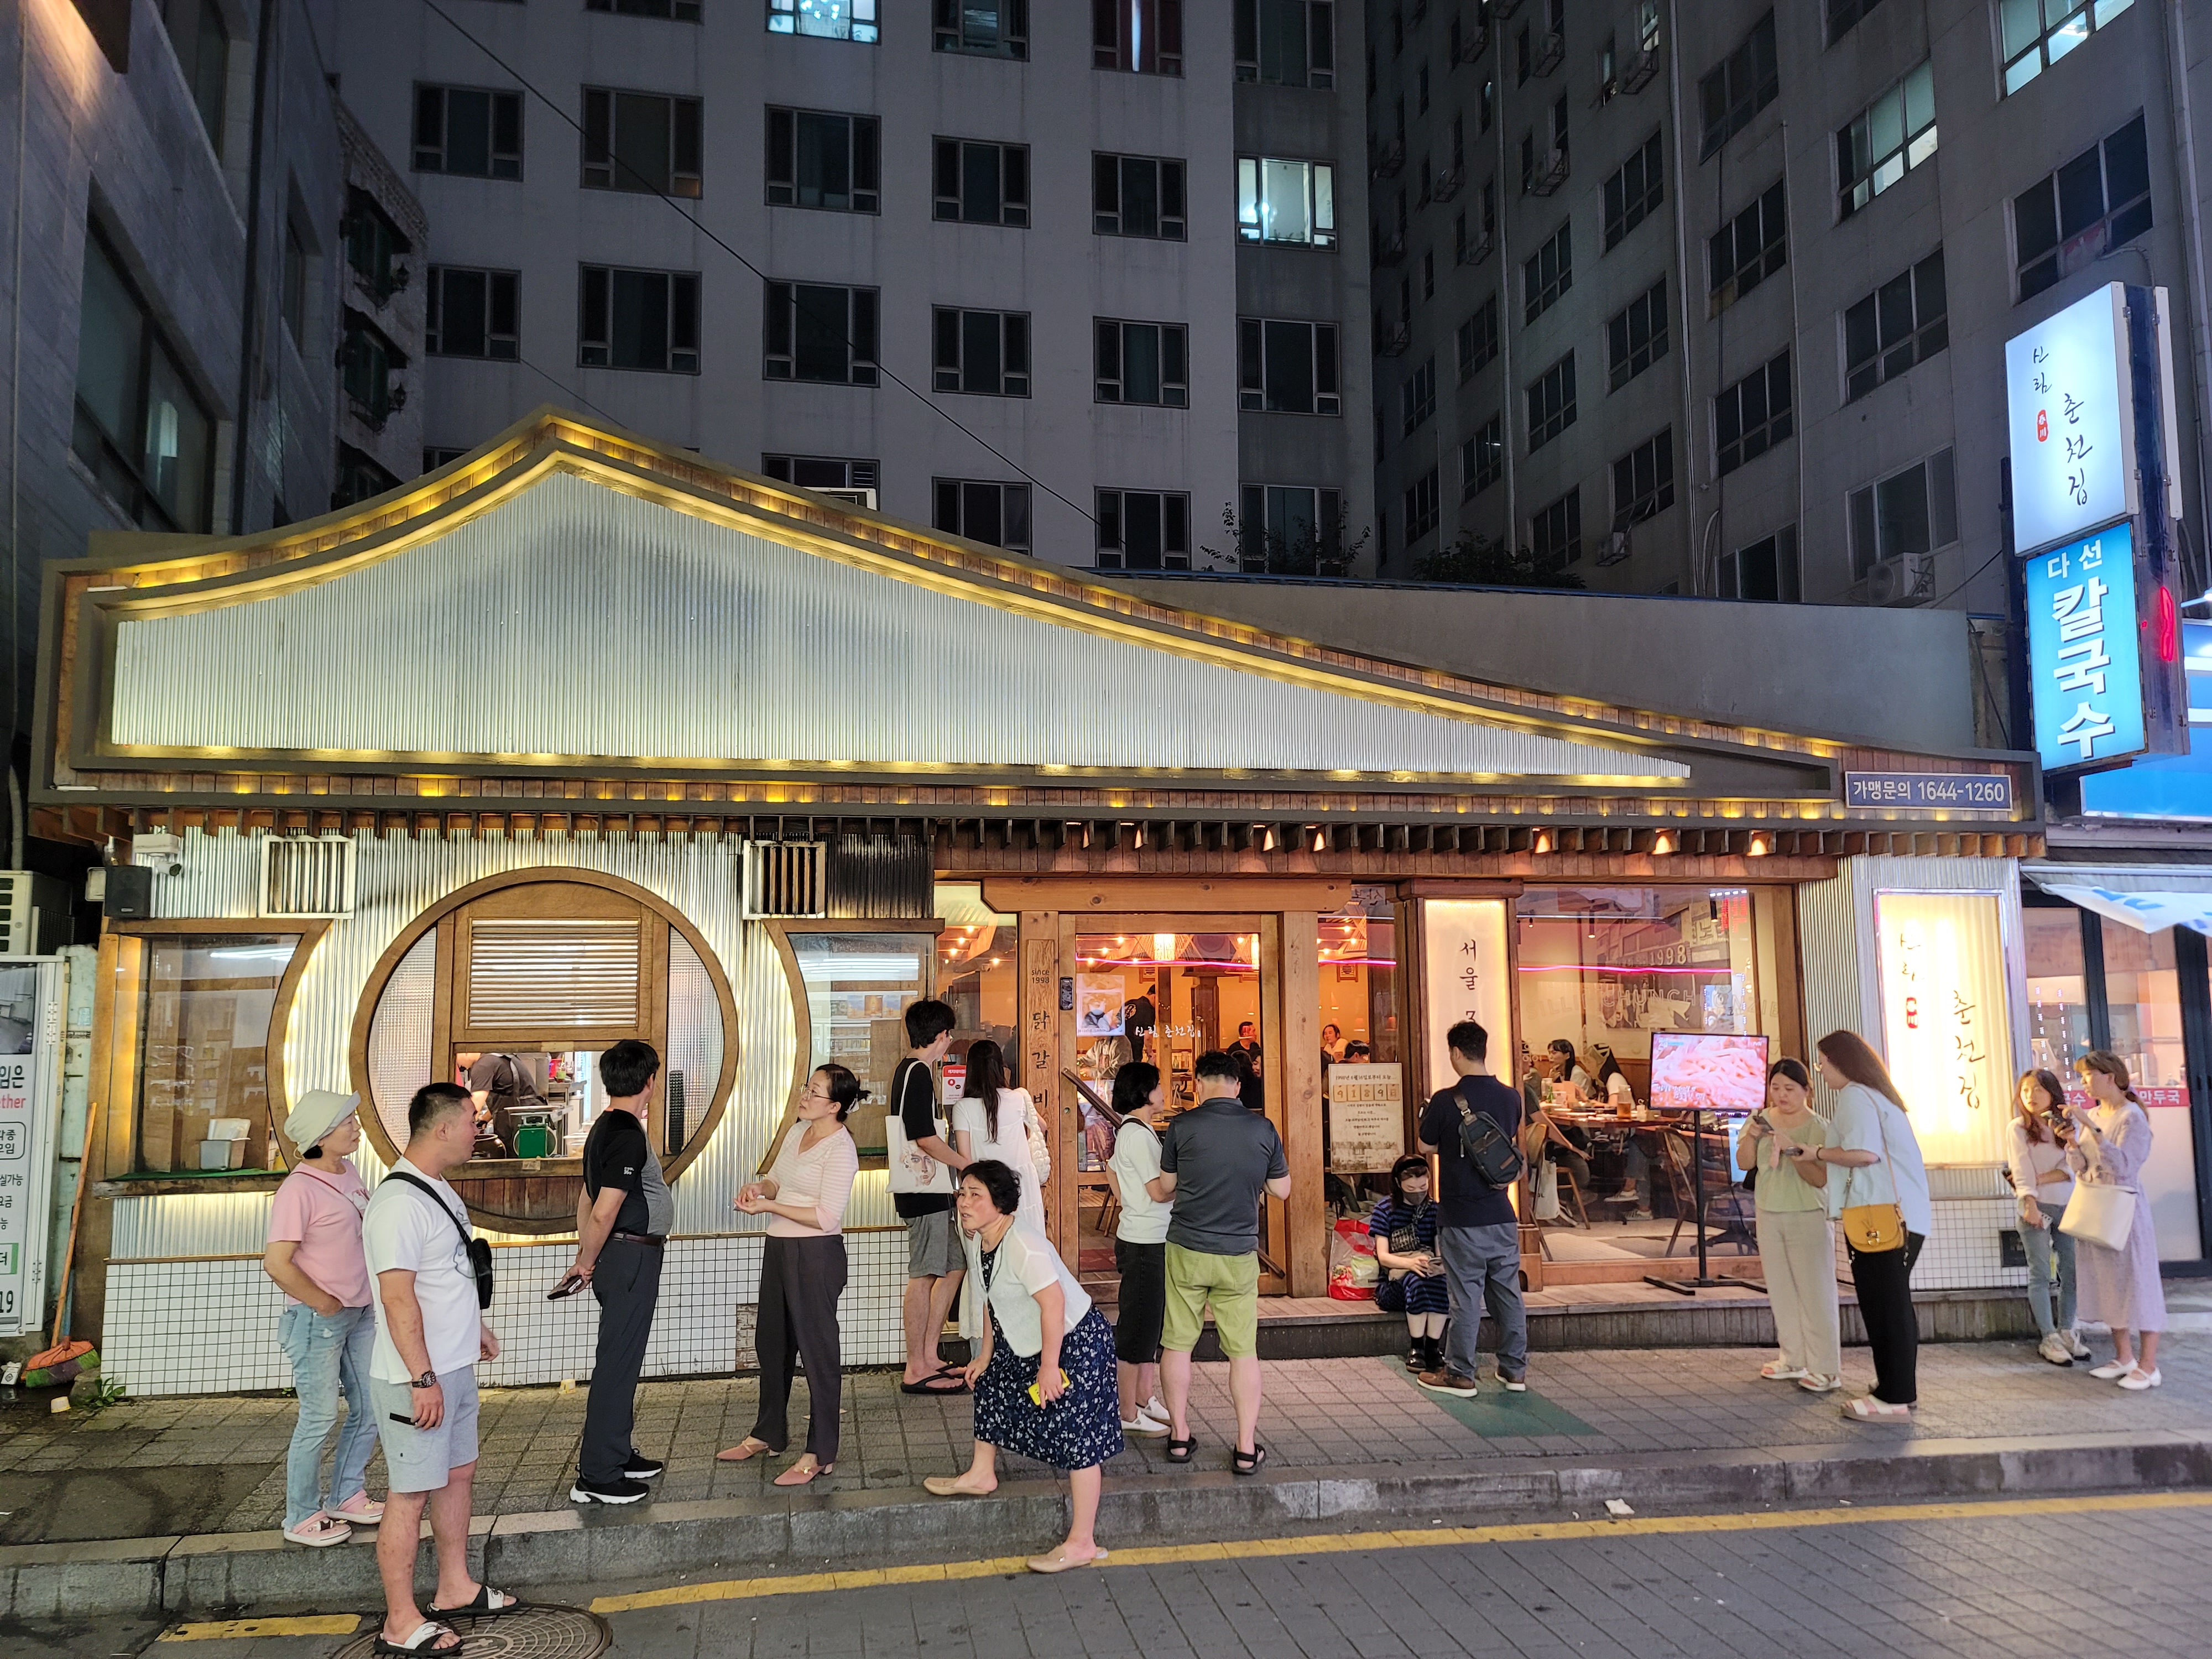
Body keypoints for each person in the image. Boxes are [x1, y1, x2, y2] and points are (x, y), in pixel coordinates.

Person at [364, 1084, 515, 1655]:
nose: (480, 1131)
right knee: (410, 1493)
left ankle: (455, 1587)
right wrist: (422, 1378)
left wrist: (474, 1326)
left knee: (458, 1474)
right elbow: (397, 1297)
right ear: (443, 1128)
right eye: (473, 1122)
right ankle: (399, 1621)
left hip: (452, 1365)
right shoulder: (399, 1203)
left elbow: (448, 1271)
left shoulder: (439, 1190)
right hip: (416, 1378)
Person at [924, 1162, 1124, 1575]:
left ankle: (1083, 1542)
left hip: (1076, 1341)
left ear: (1000, 1203)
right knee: (990, 1381)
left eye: (975, 1195)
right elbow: (990, 1297)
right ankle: (981, 1474)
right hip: (1029, 1340)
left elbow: (1054, 1304)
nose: (964, 1202)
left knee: (1078, 1436)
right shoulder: (982, 1238)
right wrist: (985, 1354)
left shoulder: (1023, 1244)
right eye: (962, 1193)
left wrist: (1049, 1367)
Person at [1149, 1049, 1290, 1474]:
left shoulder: (1183, 1126)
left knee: (1177, 1343)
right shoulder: (1262, 1128)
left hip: (1187, 1248)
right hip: (1238, 1253)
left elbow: (1168, 1185)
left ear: (1197, 1084)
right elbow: (1282, 1190)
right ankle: (1245, 1447)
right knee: (1243, 1351)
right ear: (1238, 1086)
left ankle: (1179, 1436)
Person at [720, 1064, 862, 1483]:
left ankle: (820, 1451)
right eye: (807, 1087)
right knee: (771, 1343)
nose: (805, 1096)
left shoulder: (841, 1148)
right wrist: (759, 1189)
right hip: (780, 1247)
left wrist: (771, 1206)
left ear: (835, 1106)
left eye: (815, 1092)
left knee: (818, 1353)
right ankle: (768, 1432)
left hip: (816, 1254)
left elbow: (826, 1216)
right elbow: (777, 1180)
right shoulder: (798, 1132)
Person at [263, 1089, 383, 1548]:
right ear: (320, 1135)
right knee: (318, 1417)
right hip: (319, 1319)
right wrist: (324, 1302)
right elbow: (277, 1263)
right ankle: (300, 1515)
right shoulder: (298, 1190)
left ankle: (346, 1495)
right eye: (347, 1123)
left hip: (359, 1311)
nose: (357, 1128)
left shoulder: (348, 1171)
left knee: (370, 1406)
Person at [564, 1040, 671, 1504]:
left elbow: (587, 1197)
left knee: (622, 1359)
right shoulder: (625, 1133)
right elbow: (605, 1209)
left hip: (620, 1255)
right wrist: (587, 1260)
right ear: (650, 1081)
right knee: (617, 1363)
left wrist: (586, 1253)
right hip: (628, 1257)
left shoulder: (604, 1127)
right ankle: (599, 1475)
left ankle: (618, 1453)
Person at [1812, 1030, 1931, 1423]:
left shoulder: (1856, 1095)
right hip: (1903, 1216)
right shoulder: (1879, 1096)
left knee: (1885, 1307)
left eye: (1823, 1064)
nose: (1822, 1072)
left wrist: (1818, 1152)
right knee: (1891, 1304)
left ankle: (1895, 1396)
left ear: (1841, 1062)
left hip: (1880, 1218)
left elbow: (1864, 1154)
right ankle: (1895, 1387)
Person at [1416, 1020, 1527, 1397]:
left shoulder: (1446, 1100)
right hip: (1501, 1214)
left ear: (1456, 1053)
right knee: (1507, 1295)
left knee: (1465, 1297)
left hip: (1461, 1216)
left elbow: (1425, 1146)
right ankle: (1513, 1371)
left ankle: (1460, 1374)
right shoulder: (1511, 1097)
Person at [1736, 1058, 1842, 1393]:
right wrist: (1752, 1137)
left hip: (1807, 1214)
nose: (1782, 1095)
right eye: (1776, 1087)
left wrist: (1794, 1150)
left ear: (1807, 1090)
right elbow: (1744, 1162)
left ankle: (1826, 1368)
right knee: (1780, 1289)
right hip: (1768, 1211)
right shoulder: (1761, 1119)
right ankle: (1793, 1359)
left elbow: (1820, 1179)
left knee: (1815, 1291)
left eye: (1790, 1089)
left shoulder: (1819, 1127)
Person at [2068, 1051, 2167, 1390]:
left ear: (2109, 1077)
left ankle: (2149, 1365)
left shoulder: (2131, 1117)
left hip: (2125, 1210)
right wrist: (2071, 1141)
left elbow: (2125, 1167)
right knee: (2109, 1282)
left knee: (2139, 1283)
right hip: (2097, 1207)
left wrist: (2092, 1128)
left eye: (2089, 1075)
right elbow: (2082, 1167)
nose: (2084, 1082)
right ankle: (2124, 1357)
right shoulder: (2095, 1114)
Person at [892, 998, 969, 1395]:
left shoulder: (910, 1071)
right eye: (948, 1034)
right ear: (940, 1035)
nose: (949, 1040)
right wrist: (965, 1165)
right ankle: (916, 1367)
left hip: (930, 1190)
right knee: (923, 1275)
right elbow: (924, 1137)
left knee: (955, 1265)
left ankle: (928, 1354)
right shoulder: (918, 1072)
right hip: (922, 1190)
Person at [1103, 1062, 1172, 1437]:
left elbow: (1112, 1171)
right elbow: (1159, 1191)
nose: (1163, 1092)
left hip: (1143, 1236)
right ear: (1145, 1092)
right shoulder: (1139, 1135)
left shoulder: (1131, 1129)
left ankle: (1144, 1397)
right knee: (1137, 1327)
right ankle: (1127, 1411)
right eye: (1158, 1086)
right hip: (1146, 1242)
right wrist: (1191, 1184)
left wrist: (1129, 1203)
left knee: (1149, 1324)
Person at [2010, 1068, 2084, 1368]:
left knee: (2072, 1271)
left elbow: (2074, 1168)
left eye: (2039, 1089)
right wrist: (2029, 1201)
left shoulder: (2070, 1124)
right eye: (2026, 1090)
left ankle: (2068, 1330)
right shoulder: (2018, 1128)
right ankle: (2049, 1337)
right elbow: (2020, 1170)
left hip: (2070, 1206)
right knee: (2040, 1273)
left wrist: (2038, 1177)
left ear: (2053, 1092)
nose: (2032, 1096)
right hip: (2035, 1207)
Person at [951, 1040, 1045, 1233]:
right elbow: (1042, 1126)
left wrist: (966, 1198)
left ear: (971, 1070)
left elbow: (965, 1160)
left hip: (986, 1190)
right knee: (1025, 1241)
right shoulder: (1018, 1097)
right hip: (1022, 1186)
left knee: (989, 1245)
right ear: (1000, 1067)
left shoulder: (963, 1108)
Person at [1368, 1154, 1448, 1372]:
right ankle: (1417, 1347)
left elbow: (1440, 1251)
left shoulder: (1434, 1209)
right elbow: (1383, 1256)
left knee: (1440, 1283)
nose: (1418, 1193)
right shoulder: (1385, 1209)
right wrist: (1410, 1263)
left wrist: (1438, 1265)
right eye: (1411, 1189)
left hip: (1426, 1270)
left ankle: (1433, 1347)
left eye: (1423, 1187)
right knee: (1417, 1282)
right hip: (1394, 1282)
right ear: (1398, 1184)